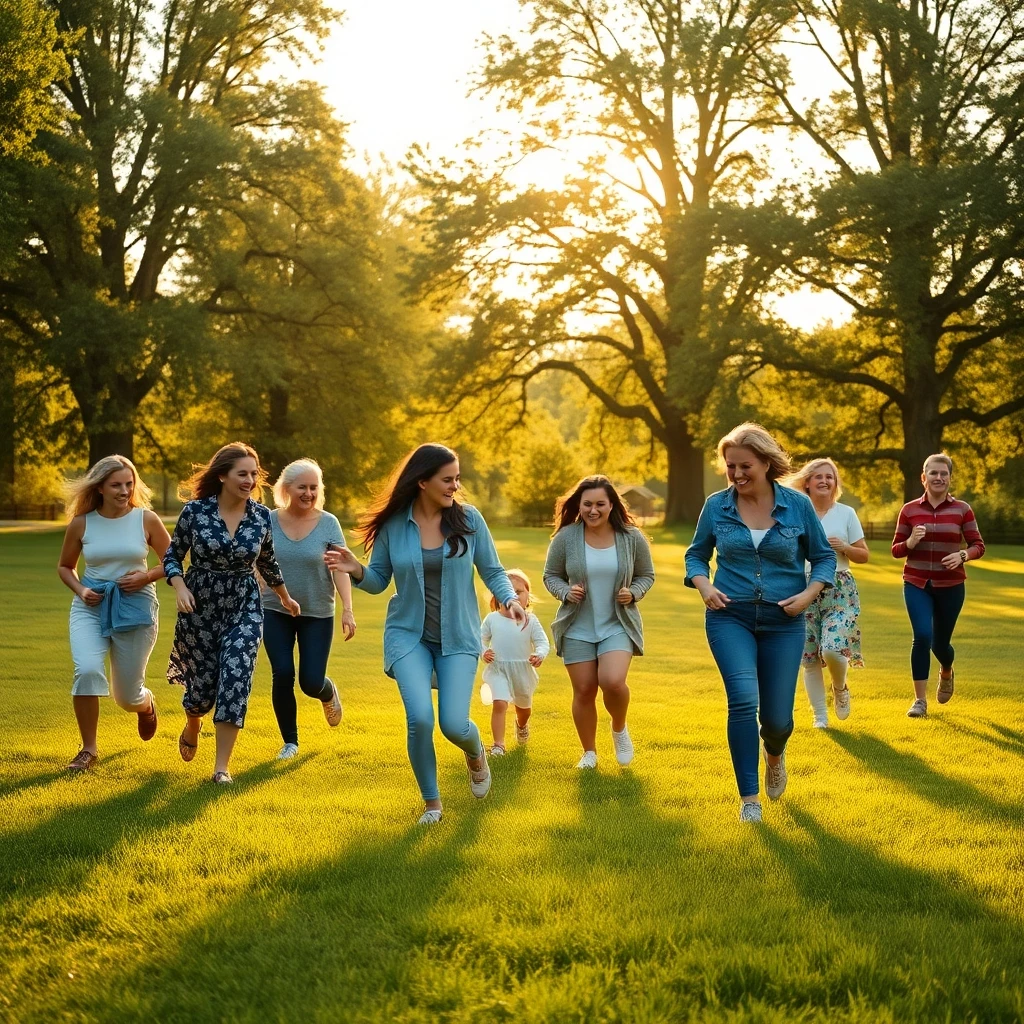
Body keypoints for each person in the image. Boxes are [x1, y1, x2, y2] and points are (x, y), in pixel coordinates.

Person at [325, 443, 528, 825]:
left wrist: (507, 599)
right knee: (419, 718)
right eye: (447, 479)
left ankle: (475, 752)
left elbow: (493, 569)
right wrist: (355, 569)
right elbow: (378, 581)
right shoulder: (394, 525)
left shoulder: (469, 520)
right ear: (422, 482)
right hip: (408, 635)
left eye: (456, 478)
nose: (455, 486)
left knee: (453, 724)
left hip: (458, 637)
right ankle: (432, 805)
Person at [685, 424, 836, 822]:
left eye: (745, 466)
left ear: (767, 463)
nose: (736, 475)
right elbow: (696, 555)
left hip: (784, 621)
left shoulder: (797, 506)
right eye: (730, 466)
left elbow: (823, 558)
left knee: (777, 719)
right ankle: (749, 800)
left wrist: (806, 596)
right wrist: (703, 586)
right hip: (728, 617)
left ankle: (775, 753)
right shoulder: (717, 506)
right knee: (742, 701)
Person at [164, 442, 301, 784]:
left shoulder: (260, 516)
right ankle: (193, 719)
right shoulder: (194, 512)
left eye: (254, 474)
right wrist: (180, 587)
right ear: (223, 475)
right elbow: (171, 556)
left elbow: (267, 561)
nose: (250, 480)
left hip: (245, 605)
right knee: (201, 693)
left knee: (236, 679)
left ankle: (221, 768)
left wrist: (285, 597)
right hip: (200, 606)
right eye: (243, 473)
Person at [57, 456, 172, 772]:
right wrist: (81, 590)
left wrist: (145, 576)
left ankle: (145, 704)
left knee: (126, 697)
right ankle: (89, 750)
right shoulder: (82, 523)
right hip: (90, 605)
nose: (124, 491)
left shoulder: (146, 520)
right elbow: (65, 567)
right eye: (116, 485)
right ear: (100, 487)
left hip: (135, 607)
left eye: (129, 484)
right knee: (88, 670)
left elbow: (172, 561)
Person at [543, 475, 655, 770]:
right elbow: (550, 575)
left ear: (611, 505)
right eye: (587, 504)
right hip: (577, 626)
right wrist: (565, 592)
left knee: (613, 682)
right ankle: (589, 752)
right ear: (579, 505)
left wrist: (634, 592)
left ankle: (619, 728)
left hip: (617, 624)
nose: (594, 510)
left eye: (600, 504)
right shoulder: (566, 537)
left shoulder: (631, 537)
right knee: (584, 690)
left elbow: (647, 575)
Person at [263, 459, 357, 760]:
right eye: (302, 487)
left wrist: (348, 610)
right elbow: (256, 560)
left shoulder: (328, 523)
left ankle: (327, 692)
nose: (308, 493)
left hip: (317, 611)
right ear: (287, 489)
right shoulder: (268, 520)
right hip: (274, 609)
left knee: (310, 682)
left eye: (314, 487)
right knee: (283, 673)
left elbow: (340, 568)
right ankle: (290, 742)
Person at [891, 453, 985, 718]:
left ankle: (946, 669)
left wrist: (963, 555)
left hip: (951, 586)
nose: (939, 478)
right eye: (933, 473)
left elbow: (978, 545)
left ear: (950, 479)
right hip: (917, 582)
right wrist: (910, 543)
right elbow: (896, 550)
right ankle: (919, 701)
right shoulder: (909, 510)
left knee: (940, 644)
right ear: (924, 478)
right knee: (921, 636)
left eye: (944, 474)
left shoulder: (962, 509)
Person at [785, 458, 869, 728]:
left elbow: (864, 555)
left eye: (829, 477)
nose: (824, 481)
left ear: (835, 484)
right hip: (804, 589)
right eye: (818, 476)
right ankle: (819, 716)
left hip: (839, 589)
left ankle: (840, 687)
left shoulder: (846, 513)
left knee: (833, 648)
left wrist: (844, 546)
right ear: (807, 483)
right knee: (809, 657)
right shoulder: (794, 513)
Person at [480, 569, 549, 756]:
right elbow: (481, 638)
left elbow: (543, 642)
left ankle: (522, 724)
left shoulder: (531, 621)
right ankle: (498, 745)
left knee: (524, 709)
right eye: (509, 591)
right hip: (498, 669)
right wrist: (483, 651)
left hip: (522, 671)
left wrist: (539, 654)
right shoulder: (492, 619)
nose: (514, 596)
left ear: (528, 596)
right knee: (500, 703)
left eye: (519, 592)